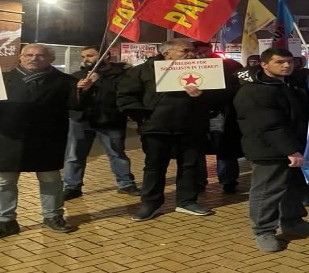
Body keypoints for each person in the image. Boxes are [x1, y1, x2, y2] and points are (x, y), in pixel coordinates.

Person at [235, 48, 309, 252]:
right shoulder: (254, 91)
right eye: (279, 62)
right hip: (269, 151)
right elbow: (268, 125)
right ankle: (264, 231)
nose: (286, 65)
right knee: (268, 191)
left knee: (295, 187)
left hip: (296, 147)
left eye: (289, 62)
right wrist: (290, 150)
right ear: (264, 64)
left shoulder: (291, 85)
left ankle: (293, 221)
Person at [117, 39, 219, 221]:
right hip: (157, 128)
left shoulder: (201, 69)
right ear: (167, 53)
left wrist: (203, 97)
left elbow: (217, 97)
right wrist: (143, 117)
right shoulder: (142, 71)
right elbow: (126, 96)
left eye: (192, 51)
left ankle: (187, 201)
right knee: (154, 167)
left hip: (191, 128)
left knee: (190, 166)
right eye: (184, 51)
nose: (191, 54)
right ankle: (151, 203)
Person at [0, 44, 93, 237]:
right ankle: (6, 220)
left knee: (50, 180)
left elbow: (76, 107)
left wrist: (83, 92)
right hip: (9, 137)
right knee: (5, 181)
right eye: (29, 55)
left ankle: (53, 216)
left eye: (40, 56)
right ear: (20, 57)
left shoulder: (66, 81)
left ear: (50, 59)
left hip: (48, 138)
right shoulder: (4, 79)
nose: (34, 58)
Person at [63, 46, 139, 200]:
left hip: (110, 121)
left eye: (90, 55)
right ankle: (72, 186)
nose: (86, 59)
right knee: (75, 155)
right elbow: (71, 101)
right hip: (81, 121)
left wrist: (99, 83)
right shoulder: (77, 76)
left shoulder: (122, 75)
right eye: (84, 56)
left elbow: (123, 94)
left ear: (106, 55)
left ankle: (126, 183)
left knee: (117, 153)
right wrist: (80, 91)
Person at [191, 41, 245, 194]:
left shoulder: (229, 65)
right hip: (194, 113)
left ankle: (228, 180)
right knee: (196, 148)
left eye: (203, 50)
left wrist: (217, 94)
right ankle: (199, 181)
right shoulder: (184, 66)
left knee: (225, 147)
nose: (200, 54)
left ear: (210, 49)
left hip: (222, 112)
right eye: (197, 51)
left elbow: (239, 87)